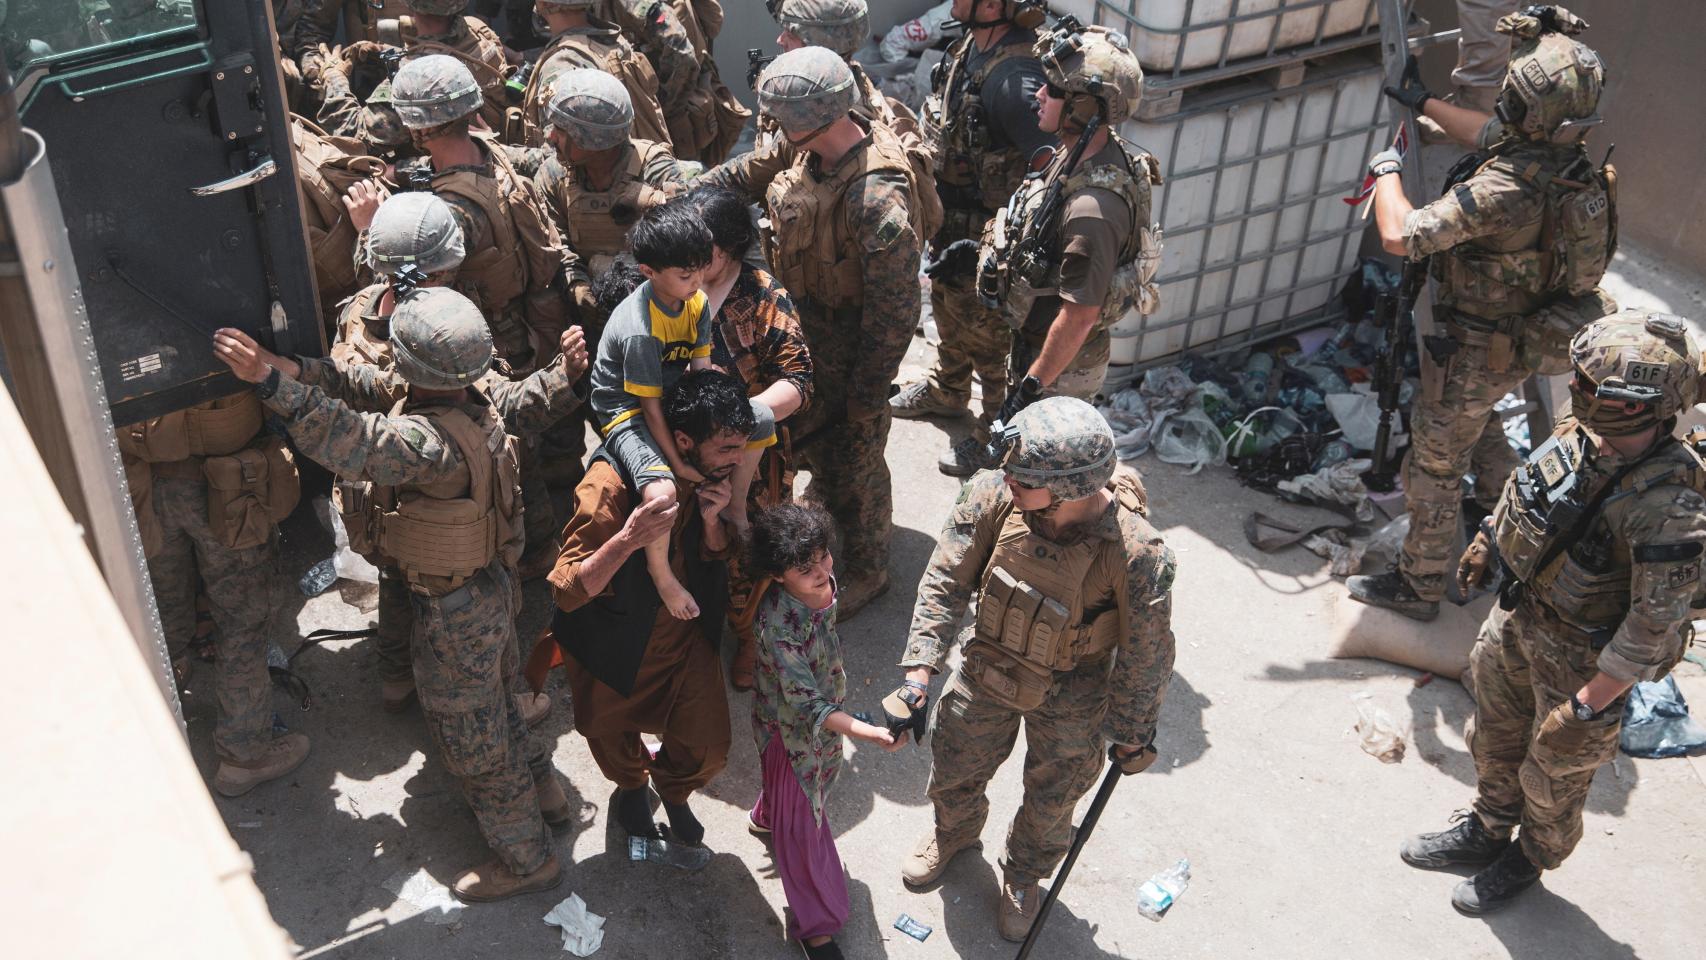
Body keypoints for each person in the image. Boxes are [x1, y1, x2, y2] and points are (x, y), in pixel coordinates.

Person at [212, 288, 579, 903]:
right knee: (499, 705)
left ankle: (527, 859)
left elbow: (350, 437)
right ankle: (544, 792)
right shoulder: (477, 397)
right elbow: (362, 384)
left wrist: (269, 384)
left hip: (455, 614)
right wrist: (290, 367)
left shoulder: (426, 446)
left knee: (472, 742)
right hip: (491, 592)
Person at [1403, 309, 1705, 914]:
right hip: (1521, 619)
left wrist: (1589, 703)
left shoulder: (1668, 507)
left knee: (1554, 777)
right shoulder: (1581, 430)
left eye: (1592, 386)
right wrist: (1491, 537)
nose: (1576, 389)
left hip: (1583, 660)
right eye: (1580, 379)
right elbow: (1534, 487)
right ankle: (1487, 828)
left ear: (1638, 405)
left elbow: (1652, 625)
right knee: (1494, 738)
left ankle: (1530, 858)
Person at [1348, 8, 1619, 621]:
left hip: (1475, 348)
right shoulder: (1571, 160)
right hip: (1528, 334)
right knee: (1484, 429)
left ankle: (1418, 586)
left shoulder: (1507, 188)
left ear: (1523, 104)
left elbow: (1400, 234)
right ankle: (1510, 532)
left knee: (1434, 467)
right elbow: (1490, 132)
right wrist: (1423, 102)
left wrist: (1386, 172)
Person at [892, 397, 1176, 941]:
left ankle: (1024, 874)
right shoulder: (994, 495)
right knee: (956, 763)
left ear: (1068, 487)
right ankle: (953, 833)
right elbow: (946, 579)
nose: (1008, 480)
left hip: (1074, 685)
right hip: (990, 659)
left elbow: (1148, 651)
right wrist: (921, 669)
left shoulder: (1137, 551)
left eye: (1023, 477)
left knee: (1055, 796)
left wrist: (1133, 732)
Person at [325, 190, 590, 716]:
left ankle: (396, 678)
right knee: (473, 601)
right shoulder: (439, 334)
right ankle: (493, 702)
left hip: (378, 490)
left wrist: (367, 231)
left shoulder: (360, 309)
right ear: (443, 270)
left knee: (395, 579)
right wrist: (565, 376)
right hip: (449, 501)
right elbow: (507, 406)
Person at [698, 46, 924, 619]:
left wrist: (868, 391)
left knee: (856, 463)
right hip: (805, 332)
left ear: (811, 119)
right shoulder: (808, 148)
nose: (772, 127)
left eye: (780, 117)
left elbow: (896, 310)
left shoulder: (877, 197)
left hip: (852, 347)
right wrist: (687, 196)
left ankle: (869, 569)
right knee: (814, 447)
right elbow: (745, 173)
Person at [548, 369, 756, 846]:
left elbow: (719, 556)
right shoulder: (609, 485)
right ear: (683, 440)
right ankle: (632, 785)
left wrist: (712, 522)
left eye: (741, 448)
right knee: (610, 734)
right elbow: (567, 590)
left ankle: (674, 790)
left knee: (708, 747)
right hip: (610, 640)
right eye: (727, 448)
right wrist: (628, 539)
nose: (737, 459)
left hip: (682, 638)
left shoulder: (712, 473)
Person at [958, 22, 1159, 477]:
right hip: (1041, 350)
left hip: (1060, 371)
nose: (1038, 95)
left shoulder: (1092, 209)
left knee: (1041, 479)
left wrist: (1030, 388)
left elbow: (1079, 315)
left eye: (1052, 90)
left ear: (1083, 106)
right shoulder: (1077, 153)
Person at [115, 391, 307, 799]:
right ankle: (244, 756)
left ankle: (155, 707)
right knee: (242, 621)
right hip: (223, 487)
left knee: (158, 605)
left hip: (147, 482)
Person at [588, 201, 773, 618]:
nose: (698, 282)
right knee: (662, 492)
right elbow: (649, 408)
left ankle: (736, 507)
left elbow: (701, 373)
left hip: (672, 390)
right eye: (686, 276)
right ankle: (661, 574)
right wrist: (679, 465)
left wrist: (718, 419)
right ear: (648, 272)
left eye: (701, 270)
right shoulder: (640, 330)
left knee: (760, 418)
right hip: (627, 410)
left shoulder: (696, 301)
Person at [890, 0, 1051, 441]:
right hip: (952, 220)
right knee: (948, 308)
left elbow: (1051, 169)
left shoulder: (1015, 81)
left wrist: (995, 246)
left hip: (988, 235)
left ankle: (995, 430)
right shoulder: (972, 46)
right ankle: (949, 389)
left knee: (990, 340)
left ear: (993, 5)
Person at [745, 503, 899, 960]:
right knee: (803, 828)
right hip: (790, 734)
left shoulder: (822, 586)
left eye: (823, 557)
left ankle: (766, 817)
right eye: (805, 568)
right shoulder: (777, 626)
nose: (822, 572)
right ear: (777, 575)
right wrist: (867, 733)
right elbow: (806, 706)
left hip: (823, 717)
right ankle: (815, 926)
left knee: (806, 789)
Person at [689, 185, 814, 690]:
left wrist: (746, 416)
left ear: (731, 247)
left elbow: (798, 381)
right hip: (686, 447)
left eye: (705, 249)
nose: (693, 257)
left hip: (753, 460)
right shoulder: (679, 285)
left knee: (749, 548)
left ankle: (748, 635)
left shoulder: (764, 297)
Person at [389, 54, 580, 376]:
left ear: (422, 127)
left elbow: (412, 298)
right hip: (534, 329)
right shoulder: (495, 154)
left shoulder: (450, 214)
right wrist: (399, 172)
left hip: (489, 355)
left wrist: (366, 229)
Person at [530, 69, 686, 284]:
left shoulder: (654, 170)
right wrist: (577, 285)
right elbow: (557, 246)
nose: (551, 136)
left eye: (561, 130)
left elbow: (687, 241)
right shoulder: (554, 175)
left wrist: (658, 201)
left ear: (592, 140)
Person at [601, 0, 749, 163]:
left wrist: (667, 106)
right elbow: (713, 22)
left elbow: (681, 50)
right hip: (684, 102)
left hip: (668, 113)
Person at [520, 0, 671, 148]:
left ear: (546, 4)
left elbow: (557, 152)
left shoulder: (561, 63)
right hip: (641, 156)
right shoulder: (614, 41)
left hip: (604, 163)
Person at [381, 0, 518, 137]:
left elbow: (381, 130)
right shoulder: (477, 28)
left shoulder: (415, 72)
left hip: (454, 147)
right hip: (500, 131)